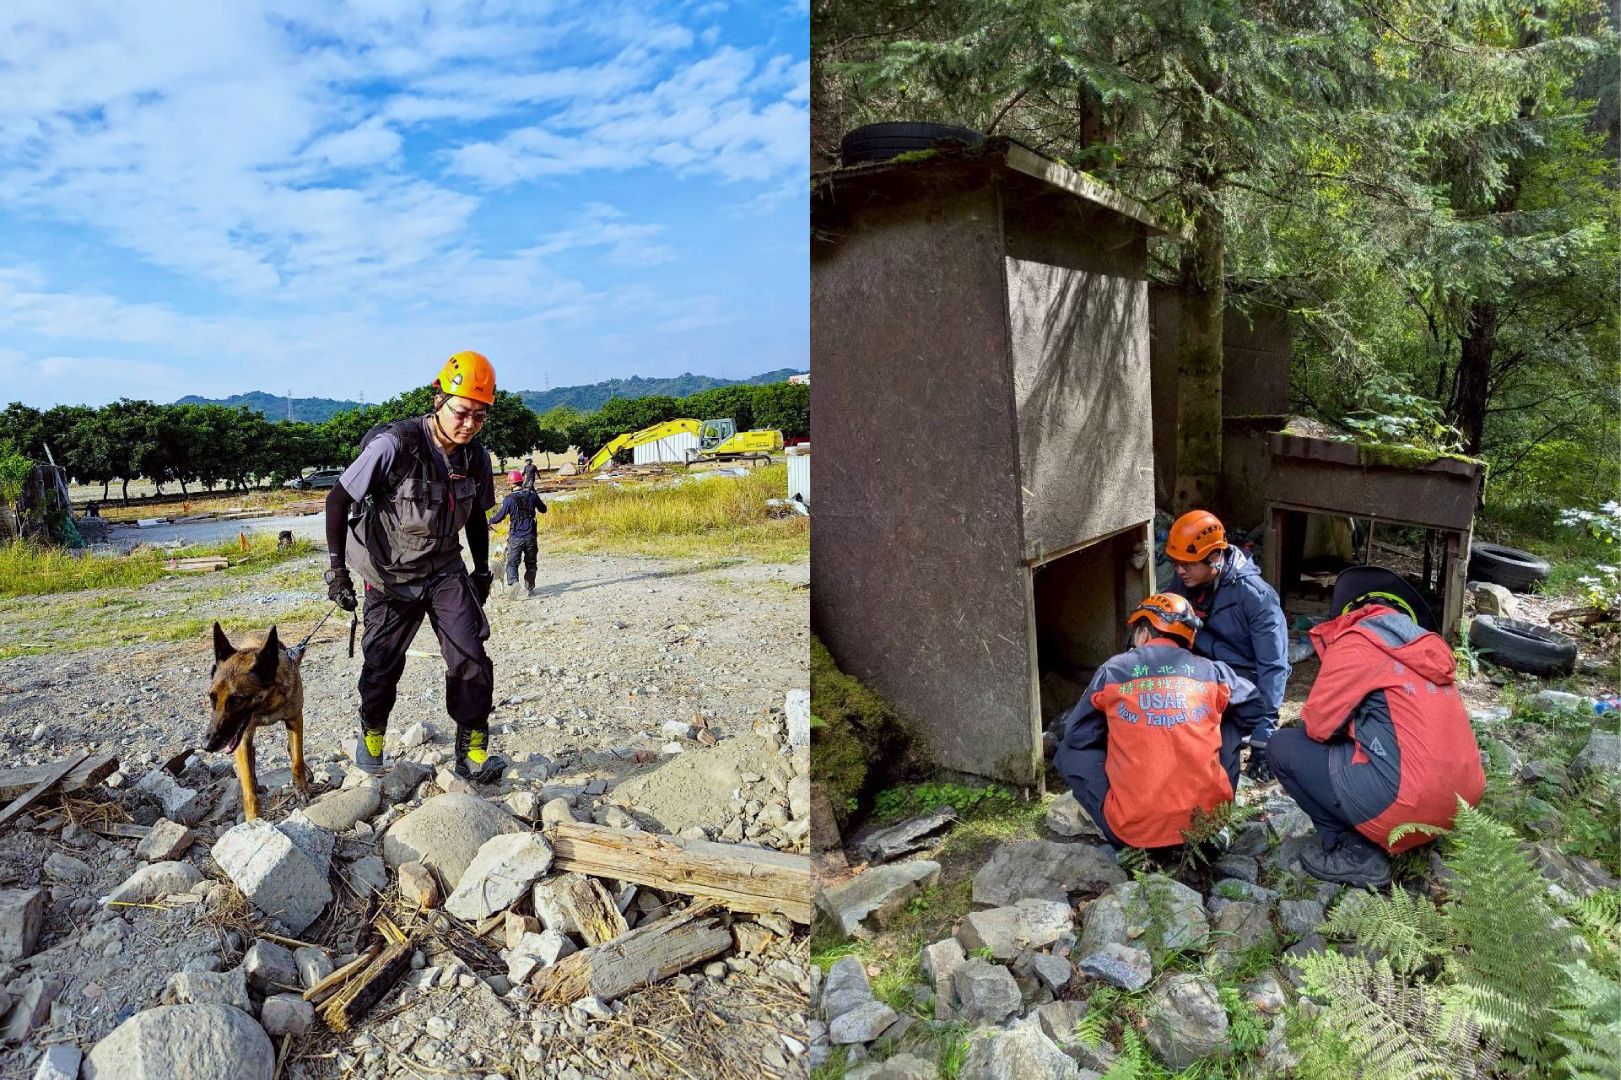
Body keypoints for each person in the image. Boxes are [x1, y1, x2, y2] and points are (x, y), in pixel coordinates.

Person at [322, 351, 504, 783]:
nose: (469, 425)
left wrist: (481, 570)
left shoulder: (475, 458)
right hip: (388, 574)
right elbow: (337, 500)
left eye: (480, 417)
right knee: (382, 661)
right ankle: (372, 736)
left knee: (471, 657)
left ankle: (473, 750)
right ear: (438, 398)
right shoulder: (395, 445)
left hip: (443, 569)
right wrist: (337, 572)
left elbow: (477, 516)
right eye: (462, 412)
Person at [1266, 566, 1486, 888]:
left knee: (1281, 746)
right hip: (1462, 806)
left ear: (1352, 612)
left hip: (1407, 803)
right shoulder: (1428, 650)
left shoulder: (1357, 639)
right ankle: (1418, 836)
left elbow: (1317, 726)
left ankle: (1350, 850)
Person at [1054, 593, 1257, 851]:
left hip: (1131, 831)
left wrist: (1126, 733)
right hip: (1207, 824)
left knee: (1068, 751)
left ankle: (1126, 833)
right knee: (1230, 722)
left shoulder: (1114, 670)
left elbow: (1077, 734)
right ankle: (1214, 813)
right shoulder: (1212, 671)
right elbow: (1253, 705)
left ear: (1143, 634)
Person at [1162, 509, 1290, 780]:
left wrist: (1262, 737)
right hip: (1199, 674)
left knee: (1217, 753)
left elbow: (1274, 666)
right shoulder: (1185, 580)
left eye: (1188, 563)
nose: (1179, 570)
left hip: (1240, 685)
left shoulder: (1256, 596)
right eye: (1175, 562)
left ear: (1215, 557)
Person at [489, 470, 546, 598]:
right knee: (531, 563)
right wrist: (535, 498)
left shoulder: (509, 499)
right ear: (522, 481)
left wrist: (490, 521)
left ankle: (514, 583)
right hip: (531, 536)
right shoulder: (532, 495)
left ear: (510, 483)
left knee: (512, 563)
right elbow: (544, 509)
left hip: (515, 538)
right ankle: (529, 588)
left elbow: (499, 516)